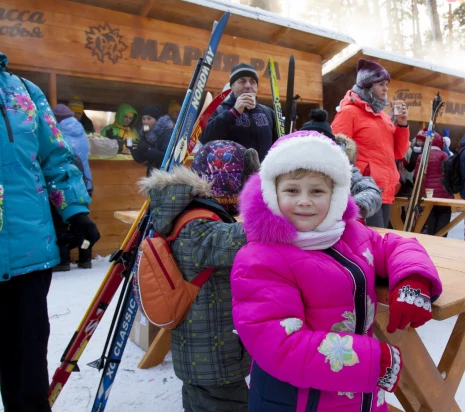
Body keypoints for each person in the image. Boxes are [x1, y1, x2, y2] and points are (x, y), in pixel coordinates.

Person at [231, 130, 442, 411]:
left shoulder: (349, 233)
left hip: (359, 396)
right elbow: (279, 344)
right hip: (297, 401)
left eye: (317, 191)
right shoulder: (260, 259)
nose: (304, 201)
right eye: (292, 190)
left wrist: (413, 278)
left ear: (337, 195)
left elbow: (394, 246)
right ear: (271, 193)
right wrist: (370, 362)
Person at [0, 52, 100, 412]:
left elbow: (55, 158)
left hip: (28, 252)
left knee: (26, 371)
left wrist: (75, 211)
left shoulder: (24, 92)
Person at [138, 140, 260, 412]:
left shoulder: (188, 213)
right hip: (214, 360)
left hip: (199, 354)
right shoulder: (199, 226)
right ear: (231, 181)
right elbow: (246, 237)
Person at [331, 58, 410, 228]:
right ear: (367, 85)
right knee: (368, 241)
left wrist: (402, 124)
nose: (386, 88)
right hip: (363, 191)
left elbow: (399, 153)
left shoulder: (383, 117)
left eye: (386, 84)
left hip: (386, 189)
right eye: (381, 84)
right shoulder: (349, 112)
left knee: (377, 240)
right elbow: (337, 152)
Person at [299, 108, 382, 221]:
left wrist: (345, 208)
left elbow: (370, 190)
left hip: (334, 227)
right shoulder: (290, 166)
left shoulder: (342, 167)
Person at [200, 63, 277, 161]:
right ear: (232, 86)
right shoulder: (220, 110)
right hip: (231, 175)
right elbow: (204, 139)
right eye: (242, 81)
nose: (248, 86)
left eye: (253, 82)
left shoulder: (268, 113)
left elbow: (279, 145)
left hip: (263, 175)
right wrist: (233, 112)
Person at [51, 104, 95, 270]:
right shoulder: (80, 130)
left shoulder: (56, 133)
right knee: (82, 224)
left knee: (60, 222)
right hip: (85, 183)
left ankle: (63, 260)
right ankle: (85, 258)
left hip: (64, 183)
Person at [413, 129, 452, 236]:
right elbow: (448, 174)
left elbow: (417, 176)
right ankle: (441, 240)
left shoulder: (422, 156)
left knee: (430, 219)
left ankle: (431, 242)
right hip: (443, 196)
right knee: (444, 217)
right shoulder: (443, 155)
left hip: (427, 195)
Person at [131, 104, 174, 175]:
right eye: (143, 118)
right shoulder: (145, 132)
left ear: (157, 120)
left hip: (165, 174)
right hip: (151, 173)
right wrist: (134, 150)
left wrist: (148, 149)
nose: (145, 122)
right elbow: (142, 160)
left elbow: (166, 157)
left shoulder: (167, 132)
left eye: (149, 118)